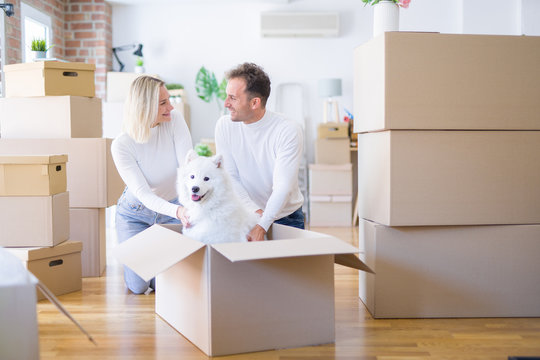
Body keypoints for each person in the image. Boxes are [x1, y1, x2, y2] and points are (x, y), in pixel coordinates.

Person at [111, 75, 192, 294]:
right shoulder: (122, 144)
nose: (171, 106)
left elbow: (188, 168)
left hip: (170, 212)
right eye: (163, 103)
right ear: (145, 107)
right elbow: (144, 194)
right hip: (135, 215)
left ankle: (156, 262)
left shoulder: (174, 120)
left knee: (164, 285)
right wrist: (179, 210)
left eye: (169, 100)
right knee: (139, 287)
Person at [215, 62, 304, 242]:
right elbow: (230, 176)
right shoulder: (224, 126)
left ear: (255, 102)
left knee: (289, 270)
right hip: (247, 213)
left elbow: (283, 186)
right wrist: (255, 213)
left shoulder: (287, 130)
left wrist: (263, 224)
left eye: (232, 98)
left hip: (286, 218)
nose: (226, 104)